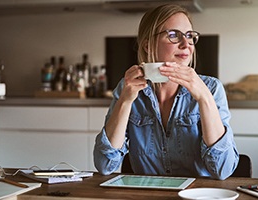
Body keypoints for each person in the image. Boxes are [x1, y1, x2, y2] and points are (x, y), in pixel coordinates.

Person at [94, 4, 239, 180]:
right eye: (173, 35)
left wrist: (204, 98)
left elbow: (222, 170)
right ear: (147, 45)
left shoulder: (211, 88)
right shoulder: (127, 89)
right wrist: (125, 102)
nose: (186, 44)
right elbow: (104, 165)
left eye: (189, 36)